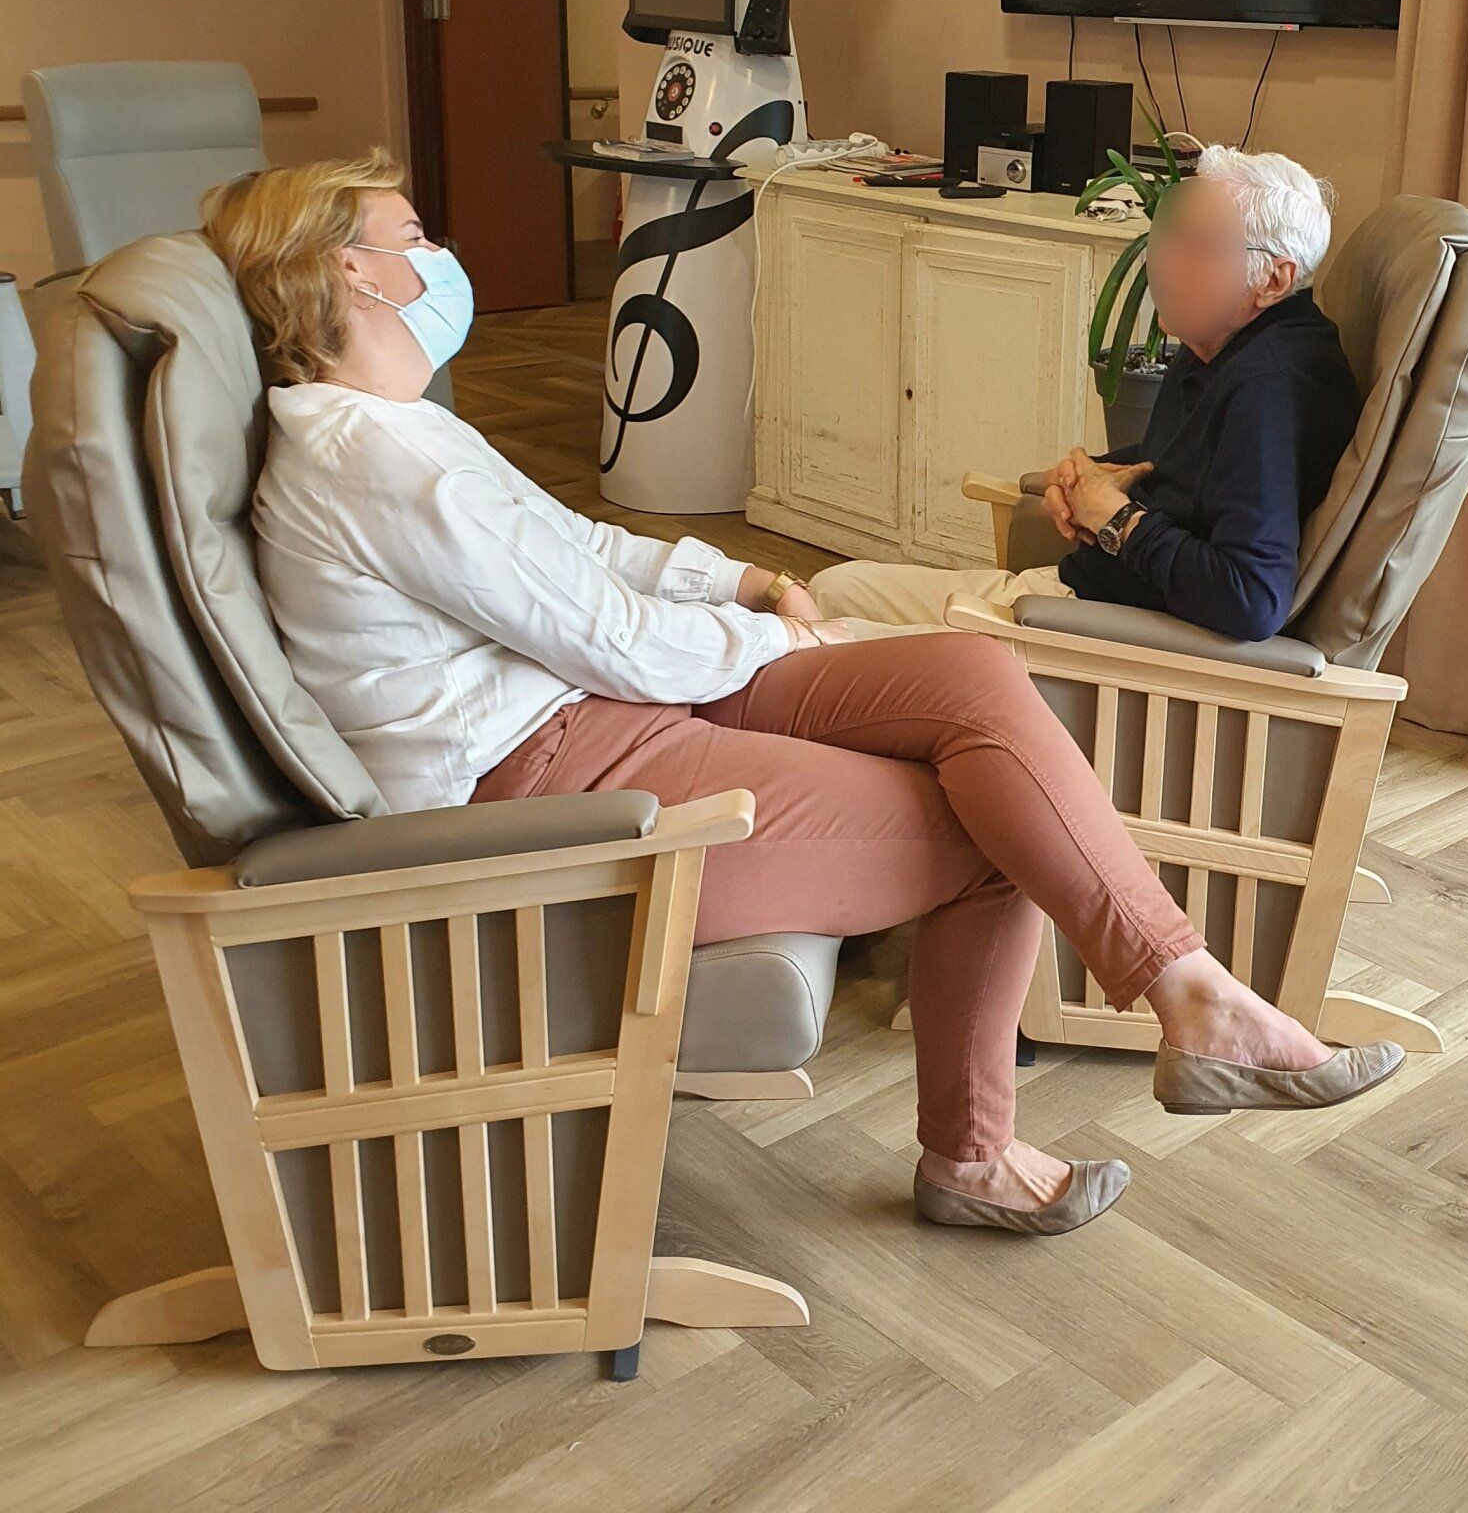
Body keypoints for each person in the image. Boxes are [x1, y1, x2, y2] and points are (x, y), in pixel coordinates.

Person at [211, 150, 1402, 1239]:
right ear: (351, 274)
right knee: (997, 831)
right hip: (547, 780)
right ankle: (996, 1142)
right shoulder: (371, 459)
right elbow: (606, 637)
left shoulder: (396, 430)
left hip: (593, 713)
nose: (439, 257)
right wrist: (765, 634)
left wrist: (746, 579)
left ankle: (1188, 1000)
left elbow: (580, 549)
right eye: (416, 237)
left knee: (975, 677)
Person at [810, 145, 1362, 644]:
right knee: (833, 589)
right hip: (1072, 596)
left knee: (815, 641)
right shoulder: (1221, 346)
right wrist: (1090, 476)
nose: (1162, 261)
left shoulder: (1270, 387)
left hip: (1094, 637)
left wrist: (1117, 521)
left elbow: (1252, 599)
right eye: (1168, 236)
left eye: (1196, 247)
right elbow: (1189, 468)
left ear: (1273, 279)